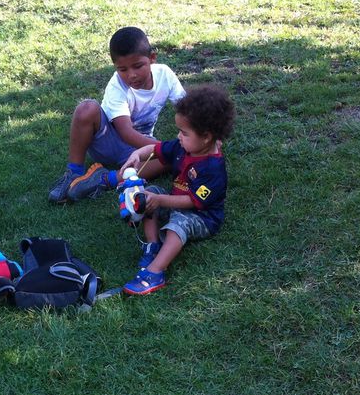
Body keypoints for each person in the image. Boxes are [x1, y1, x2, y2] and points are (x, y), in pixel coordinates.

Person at [117, 84, 235, 295]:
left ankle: (155, 272)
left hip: (202, 216)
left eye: (184, 133)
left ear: (206, 137)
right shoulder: (184, 146)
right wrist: (137, 155)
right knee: (149, 192)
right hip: (175, 202)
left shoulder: (213, 169)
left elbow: (191, 202)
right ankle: (152, 245)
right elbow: (154, 149)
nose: (179, 137)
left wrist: (160, 201)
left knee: (179, 223)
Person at [48, 26, 186, 203]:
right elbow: (126, 132)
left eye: (137, 66)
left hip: (139, 146)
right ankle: (73, 173)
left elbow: (187, 109)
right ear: (115, 67)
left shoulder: (165, 75)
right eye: (123, 69)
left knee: (173, 159)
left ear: (152, 58)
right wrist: (164, 148)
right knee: (86, 108)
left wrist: (207, 134)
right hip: (108, 141)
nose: (131, 75)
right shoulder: (116, 86)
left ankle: (105, 179)